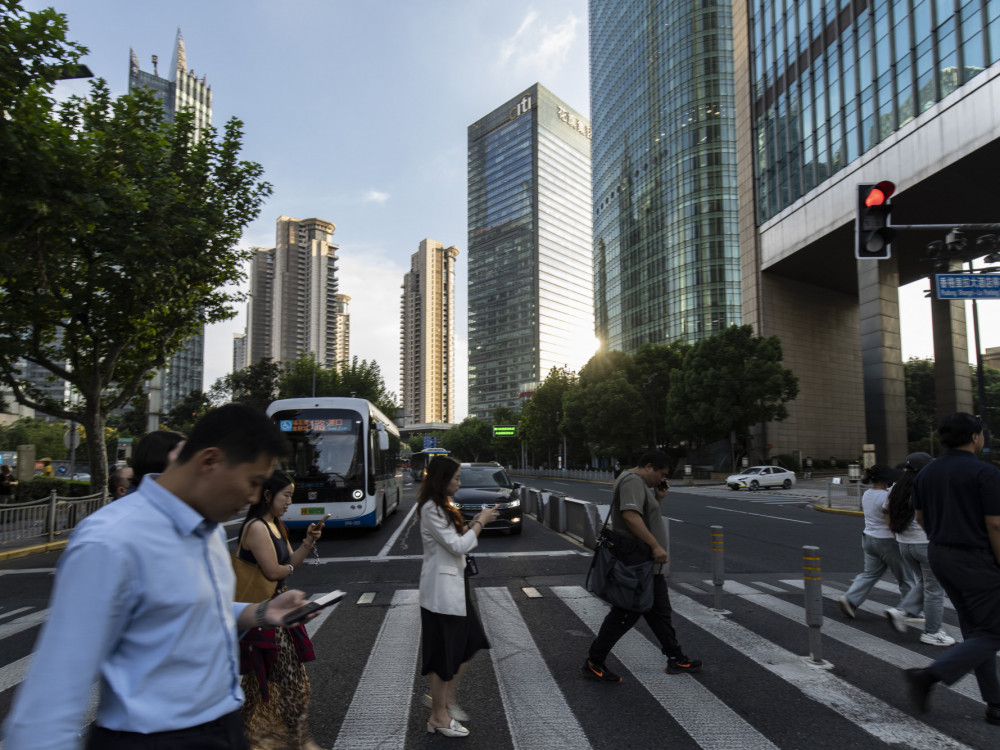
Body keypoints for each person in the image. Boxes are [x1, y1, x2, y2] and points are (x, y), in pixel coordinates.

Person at [2, 403, 316, 750]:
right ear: (209, 461)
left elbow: (190, 612)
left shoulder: (210, 529)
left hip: (224, 726)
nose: (254, 497)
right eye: (253, 482)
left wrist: (261, 612)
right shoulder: (111, 540)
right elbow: (51, 700)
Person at [906, 413, 1000, 726]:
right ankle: (929, 675)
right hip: (976, 559)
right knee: (993, 632)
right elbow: (995, 524)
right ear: (974, 436)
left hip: (940, 554)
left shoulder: (926, 473)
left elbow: (920, 518)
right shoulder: (985, 472)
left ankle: (995, 703)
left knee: (977, 631)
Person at [584, 449, 702, 683]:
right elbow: (630, 516)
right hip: (637, 563)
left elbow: (646, 516)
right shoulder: (632, 481)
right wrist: (655, 546)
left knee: (660, 613)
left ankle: (676, 657)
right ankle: (593, 662)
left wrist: (659, 498)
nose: (662, 479)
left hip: (646, 565)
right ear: (649, 466)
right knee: (625, 613)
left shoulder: (640, 484)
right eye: (661, 474)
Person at [236, 470, 325, 750]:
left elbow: (290, 564)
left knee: (261, 684)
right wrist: (286, 569)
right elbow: (274, 571)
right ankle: (296, 741)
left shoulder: (276, 525)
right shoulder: (256, 527)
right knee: (291, 685)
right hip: (263, 613)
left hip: (278, 609)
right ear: (267, 495)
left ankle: (255, 739)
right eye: (285, 495)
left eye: (291, 496)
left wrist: (308, 542)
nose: (289, 502)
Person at [418, 456, 497, 738]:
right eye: (456, 478)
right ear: (442, 480)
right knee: (443, 654)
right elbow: (457, 546)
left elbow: (456, 538)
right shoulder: (431, 508)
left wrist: (473, 521)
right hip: (441, 591)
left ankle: (443, 699)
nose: (460, 483)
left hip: (455, 585)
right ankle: (438, 715)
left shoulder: (444, 505)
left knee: (471, 642)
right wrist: (481, 523)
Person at [883, 453, 955, 646]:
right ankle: (932, 632)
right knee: (934, 590)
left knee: (926, 583)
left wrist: (897, 533)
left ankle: (902, 611)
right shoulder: (928, 486)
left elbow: (886, 510)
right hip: (925, 544)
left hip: (905, 544)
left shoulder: (896, 487)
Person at [838, 463, 916, 619]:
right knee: (906, 577)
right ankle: (912, 610)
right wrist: (899, 537)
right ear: (885, 479)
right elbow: (891, 519)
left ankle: (850, 598)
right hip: (886, 540)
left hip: (868, 538)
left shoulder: (867, 494)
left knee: (870, 574)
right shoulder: (886, 496)